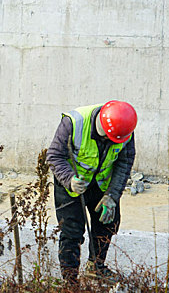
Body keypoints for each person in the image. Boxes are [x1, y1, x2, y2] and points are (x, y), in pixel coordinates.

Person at [46, 100, 137, 284]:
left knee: (108, 222)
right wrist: (69, 179)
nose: (109, 142)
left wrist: (112, 195)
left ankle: (95, 267)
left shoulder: (124, 131)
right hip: (72, 183)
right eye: (107, 138)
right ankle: (70, 281)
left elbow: (124, 162)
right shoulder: (73, 123)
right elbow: (54, 155)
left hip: (101, 184)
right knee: (72, 231)